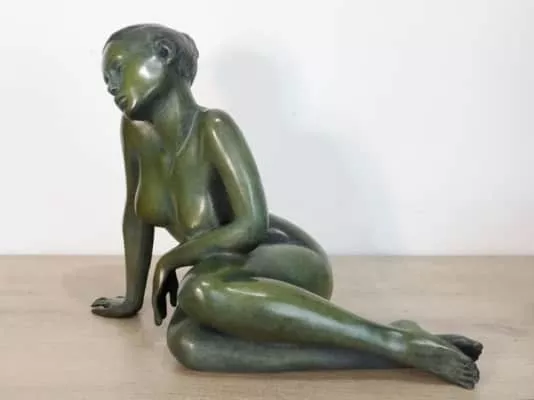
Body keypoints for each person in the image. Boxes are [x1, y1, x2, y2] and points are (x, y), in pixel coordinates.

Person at [91, 24, 482, 389]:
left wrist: (172, 259)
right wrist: (131, 299)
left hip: (279, 256)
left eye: (118, 68)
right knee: (187, 344)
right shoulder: (135, 132)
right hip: (220, 269)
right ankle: (396, 348)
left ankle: (392, 341)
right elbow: (135, 217)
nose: (110, 85)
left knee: (200, 290)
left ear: (163, 54)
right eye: (106, 76)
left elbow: (252, 225)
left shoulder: (213, 127)